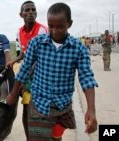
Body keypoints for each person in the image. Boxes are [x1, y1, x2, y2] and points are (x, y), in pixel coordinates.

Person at [6, 2, 98, 141]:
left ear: (70, 23)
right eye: (51, 26)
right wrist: (13, 94)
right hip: (39, 104)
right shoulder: (37, 43)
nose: (55, 31)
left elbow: (86, 78)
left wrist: (91, 110)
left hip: (62, 105)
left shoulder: (78, 48)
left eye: (60, 26)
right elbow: (24, 69)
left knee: (56, 137)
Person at [6, 1, 48, 139]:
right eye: (27, 10)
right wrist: (13, 61)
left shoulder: (42, 30)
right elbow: (23, 53)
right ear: (21, 14)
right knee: (26, 110)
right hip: (28, 75)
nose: (31, 12)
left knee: (42, 110)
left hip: (42, 76)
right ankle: (29, 138)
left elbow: (41, 58)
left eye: (33, 10)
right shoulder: (19, 31)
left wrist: (25, 80)